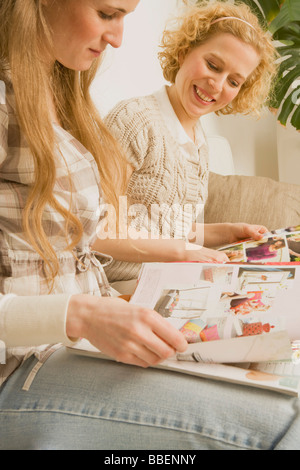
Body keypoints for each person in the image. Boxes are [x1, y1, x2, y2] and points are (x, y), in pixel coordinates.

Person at [0, 0, 299, 451]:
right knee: (286, 417)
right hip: (30, 356)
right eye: (107, 13)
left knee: (281, 364)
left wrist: (215, 235)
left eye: (234, 80)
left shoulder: (62, 99)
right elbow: (112, 230)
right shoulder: (133, 120)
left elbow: (93, 226)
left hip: (77, 336)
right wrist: (81, 311)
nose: (119, 37)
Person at [96, 0, 276, 285]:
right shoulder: (134, 120)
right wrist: (184, 252)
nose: (217, 85)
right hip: (118, 286)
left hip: (166, 280)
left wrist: (228, 232)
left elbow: (165, 227)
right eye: (213, 65)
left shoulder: (200, 143)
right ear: (184, 52)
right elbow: (98, 229)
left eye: (234, 82)